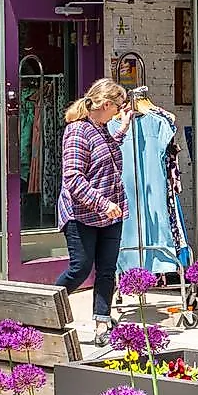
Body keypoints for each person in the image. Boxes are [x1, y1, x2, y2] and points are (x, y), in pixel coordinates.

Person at [57, 78, 129, 330]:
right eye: (118, 107)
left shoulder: (101, 128)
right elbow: (74, 179)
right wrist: (102, 204)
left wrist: (122, 130)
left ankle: (102, 320)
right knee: (81, 268)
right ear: (107, 104)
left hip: (110, 213)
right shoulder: (77, 131)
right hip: (82, 213)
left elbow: (105, 154)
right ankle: (44, 303)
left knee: (107, 269)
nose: (120, 112)